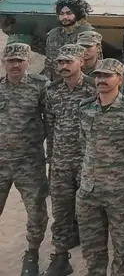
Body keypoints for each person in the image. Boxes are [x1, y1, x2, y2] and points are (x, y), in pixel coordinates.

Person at [77, 58, 124, 276]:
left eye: (107, 75)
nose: (101, 80)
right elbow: (83, 144)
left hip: (120, 190)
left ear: (120, 79)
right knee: (92, 246)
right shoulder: (85, 108)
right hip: (89, 190)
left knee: (122, 244)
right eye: (98, 75)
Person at [43, 44, 96, 276]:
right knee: (61, 211)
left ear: (81, 62)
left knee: (90, 214)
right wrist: (51, 160)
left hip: (88, 161)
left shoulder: (95, 88)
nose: (64, 66)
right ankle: (61, 256)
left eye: (68, 62)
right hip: (61, 163)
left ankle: (94, 264)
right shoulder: (52, 91)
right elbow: (50, 127)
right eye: (60, 62)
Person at [1, 42, 50, 276]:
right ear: (4, 63)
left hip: (30, 162)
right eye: (11, 60)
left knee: (36, 211)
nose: (15, 65)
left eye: (20, 60)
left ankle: (32, 254)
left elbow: (51, 120)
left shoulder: (40, 87)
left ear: (28, 62)